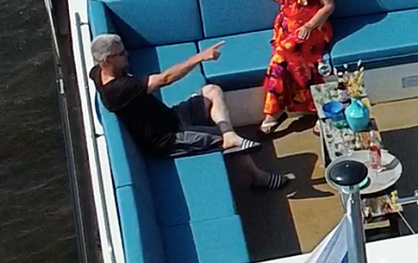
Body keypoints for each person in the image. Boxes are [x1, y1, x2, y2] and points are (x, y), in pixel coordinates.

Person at [189, 0, 340, 135]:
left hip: (314, 26)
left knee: (286, 58)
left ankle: (278, 112)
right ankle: (297, 110)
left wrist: (309, 26)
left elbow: (328, 5)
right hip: (286, 27)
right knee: (284, 59)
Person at [88, 34, 288, 191]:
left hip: (172, 117)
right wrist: (200, 57)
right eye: (122, 54)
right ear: (107, 60)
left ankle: (231, 135)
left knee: (212, 91)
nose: (127, 55)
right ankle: (259, 178)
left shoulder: (97, 73)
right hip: (168, 139)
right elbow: (165, 79)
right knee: (222, 141)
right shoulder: (119, 89)